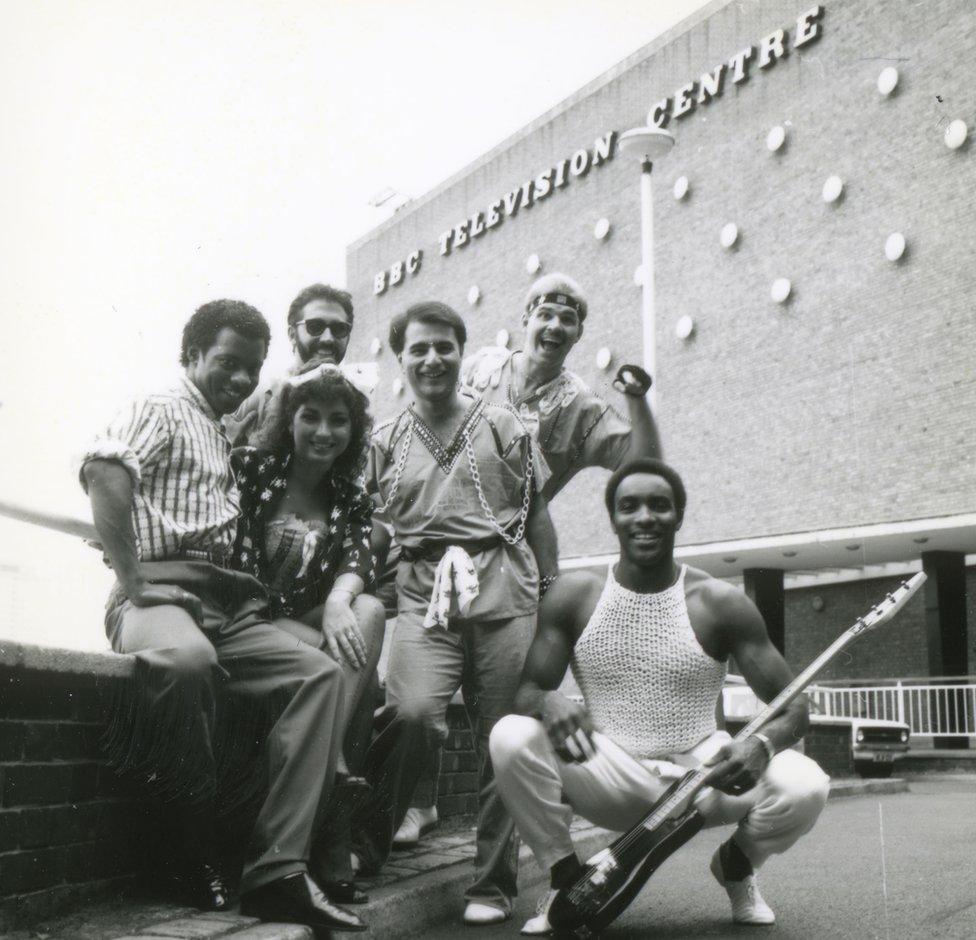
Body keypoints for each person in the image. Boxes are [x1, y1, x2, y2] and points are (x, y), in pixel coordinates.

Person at [80, 299, 366, 933]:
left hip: (223, 603)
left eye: (251, 370)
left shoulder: (217, 428)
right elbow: (103, 470)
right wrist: (133, 582)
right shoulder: (159, 406)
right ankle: (185, 849)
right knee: (187, 663)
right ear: (192, 356)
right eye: (228, 364)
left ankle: (277, 872)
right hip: (159, 595)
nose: (240, 381)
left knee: (318, 677)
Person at [490, 458, 830, 934]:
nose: (644, 517)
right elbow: (527, 691)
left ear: (678, 516)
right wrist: (550, 702)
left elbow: (794, 706)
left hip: (704, 778)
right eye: (630, 506)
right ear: (613, 519)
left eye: (659, 506)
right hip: (609, 772)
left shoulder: (720, 602)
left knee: (806, 784)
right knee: (510, 735)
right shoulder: (574, 595)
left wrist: (761, 744)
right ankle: (569, 880)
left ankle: (737, 864)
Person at [395, 272, 662, 849]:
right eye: (546, 313)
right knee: (416, 698)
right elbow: (420, 415)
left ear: (578, 333)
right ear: (526, 317)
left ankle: (494, 874)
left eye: (569, 320)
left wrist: (637, 401)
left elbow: (642, 462)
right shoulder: (481, 365)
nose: (556, 327)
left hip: (506, 554)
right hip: (432, 547)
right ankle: (417, 802)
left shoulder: (582, 405)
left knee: (504, 713)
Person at [367, 300, 559, 926]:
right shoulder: (384, 441)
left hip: (504, 587)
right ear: (401, 360)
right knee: (413, 712)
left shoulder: (506, 425)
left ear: (461, 350)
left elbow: (535, 517)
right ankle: (365, 850)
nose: (432, 358)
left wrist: (550, 593)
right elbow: (371, 531)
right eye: (418, 348)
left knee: (503, 734)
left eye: (443, 346)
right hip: (423, 592)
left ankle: (492, 882)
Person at [231, 361, 386, 905]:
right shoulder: (252, 469)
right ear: (288, 419)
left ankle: (331, 763)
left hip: (306, 625)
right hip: (250, 621)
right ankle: (332, 831)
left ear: (354, 430)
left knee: (367, 611)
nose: (324, 432)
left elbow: (361, 556)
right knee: (359, 674)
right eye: (311, 417)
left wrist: (340, 599)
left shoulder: (351, 496)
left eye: (339, 420)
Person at [225, 283, 356, 443]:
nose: (328, 338)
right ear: (292, 334)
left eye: (339, 329)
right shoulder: (261, 397)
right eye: (315, 327)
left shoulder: (353, 403)